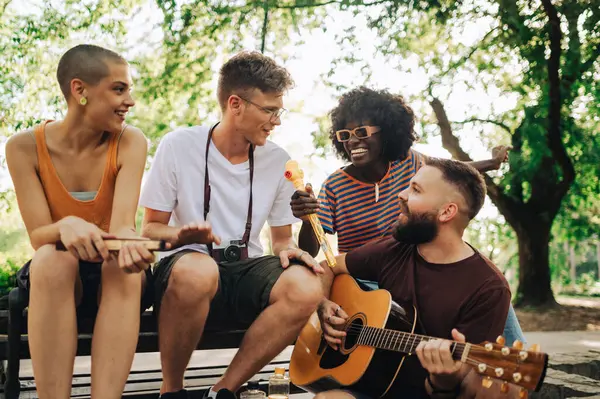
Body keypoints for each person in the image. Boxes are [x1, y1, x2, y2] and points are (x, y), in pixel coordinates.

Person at [139, 51, 324, 399]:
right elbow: (148, 231)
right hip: (186, 274)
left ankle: (222, 391)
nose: (276, 121)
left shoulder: (279, 160)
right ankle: (172, 391)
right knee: (199, 269)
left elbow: (281, 243)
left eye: (278, 111)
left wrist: (300, 237)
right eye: (270, 110)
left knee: (306, 285)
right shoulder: (179, 145)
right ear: (236, 104)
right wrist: (181, 235)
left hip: (244, 273)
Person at [290, 86, 525, 345]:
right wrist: (307, 219)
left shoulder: (412, 163)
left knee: (483, 288)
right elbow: (310, 250)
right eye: (345, 135)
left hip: (409, 268)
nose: (352, 141)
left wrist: (490, 164)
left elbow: (448, 175)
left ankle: (514, 358)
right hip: (361, 279)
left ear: (388, 133)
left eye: (362, 132)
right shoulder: (335, 186)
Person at [5, 44, 154, 399]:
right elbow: (40, 235)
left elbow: (121, 228)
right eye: (119, 89)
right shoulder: (23, 147)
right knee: (53, 258)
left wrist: (130, 242)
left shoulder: (130, 141)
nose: (130, 101)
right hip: (55, 277)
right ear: (80, 90)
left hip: (112, 273)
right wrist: (66, 226)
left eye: (128, 90)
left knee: (123, 265)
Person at [313, 158, 517, 399]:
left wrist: (444, 377)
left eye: (415, 190)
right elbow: (328, 266)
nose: (401, 194)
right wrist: (322, 304)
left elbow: (467, 385)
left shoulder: (488, 287)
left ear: (447, 212)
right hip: (373, 383)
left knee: (494, 387)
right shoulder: (394, 249)